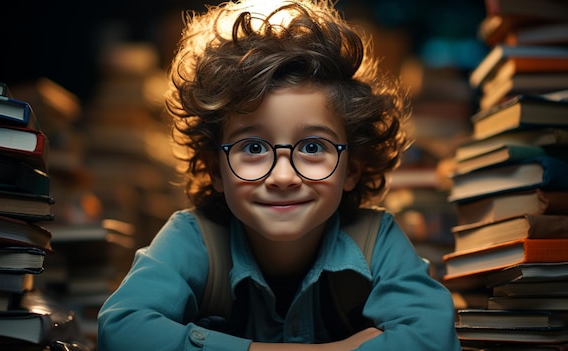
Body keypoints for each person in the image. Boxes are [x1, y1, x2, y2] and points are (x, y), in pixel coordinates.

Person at [97, 0, 460, 350]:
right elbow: (121, 330)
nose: (283, 177)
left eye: (314, 147)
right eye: (253, 148)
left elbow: (432, 338)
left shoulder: (375, 241)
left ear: (354, 169)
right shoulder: (194, 238)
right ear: (215, 170)